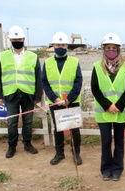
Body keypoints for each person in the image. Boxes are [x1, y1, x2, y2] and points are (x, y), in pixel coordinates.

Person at [91, 33, 125, 181]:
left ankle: (117, 169)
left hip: (120, 112)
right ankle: (106, 169)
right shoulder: (97, 67)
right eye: (108, 48)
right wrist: (108, 105)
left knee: (119, 142)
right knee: (106, 141)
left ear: (118, 50)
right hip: (104, 112)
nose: (111, 51)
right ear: (104, 50)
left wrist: (118, 105)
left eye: (114, 48)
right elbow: (95, 89)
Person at [0, 25, 42, 158]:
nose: (17, 41)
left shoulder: (33, 56)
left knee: (28, 121)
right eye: (15, 39)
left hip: (28, 94)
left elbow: (39, 77)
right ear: (10, 40)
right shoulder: (3, 56)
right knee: (12, 122)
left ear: (24, 39)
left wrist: (37, 95)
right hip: (11, 94)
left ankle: (27, 143)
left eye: (19, 38)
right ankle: (12, 146)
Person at [42, 32, 83, 165]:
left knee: (74, 129)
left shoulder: (74, 62)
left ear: (67, 46)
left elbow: (78, 82)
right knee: (58, 129)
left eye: (63, 44)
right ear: (53, 45)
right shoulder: (47, 63)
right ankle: (59, 153)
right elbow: (45, 83)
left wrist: (69, 99)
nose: (61, 47)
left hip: (72, 102)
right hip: (55, 102)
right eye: (58, 44)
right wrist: (54, 99)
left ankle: (76, 153)